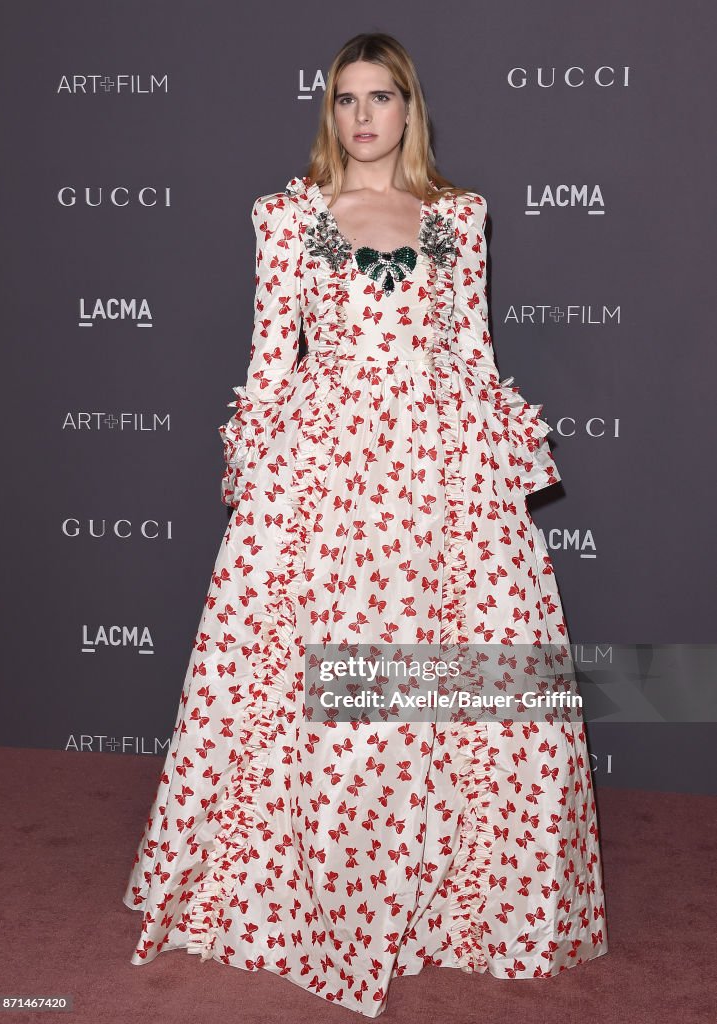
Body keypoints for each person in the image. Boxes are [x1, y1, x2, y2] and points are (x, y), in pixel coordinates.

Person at [122, 31, 608, 1018]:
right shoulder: (287, 217)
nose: (363, 116)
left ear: (409, 108)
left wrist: (499, 481)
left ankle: (454, 909)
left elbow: (472, 351)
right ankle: (312, 898)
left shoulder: (455, 218)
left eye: (381, 97)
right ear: (329, 110)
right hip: (328, 472)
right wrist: (258, 483)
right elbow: (269, 362)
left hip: (442, 466)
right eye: (346, 98)